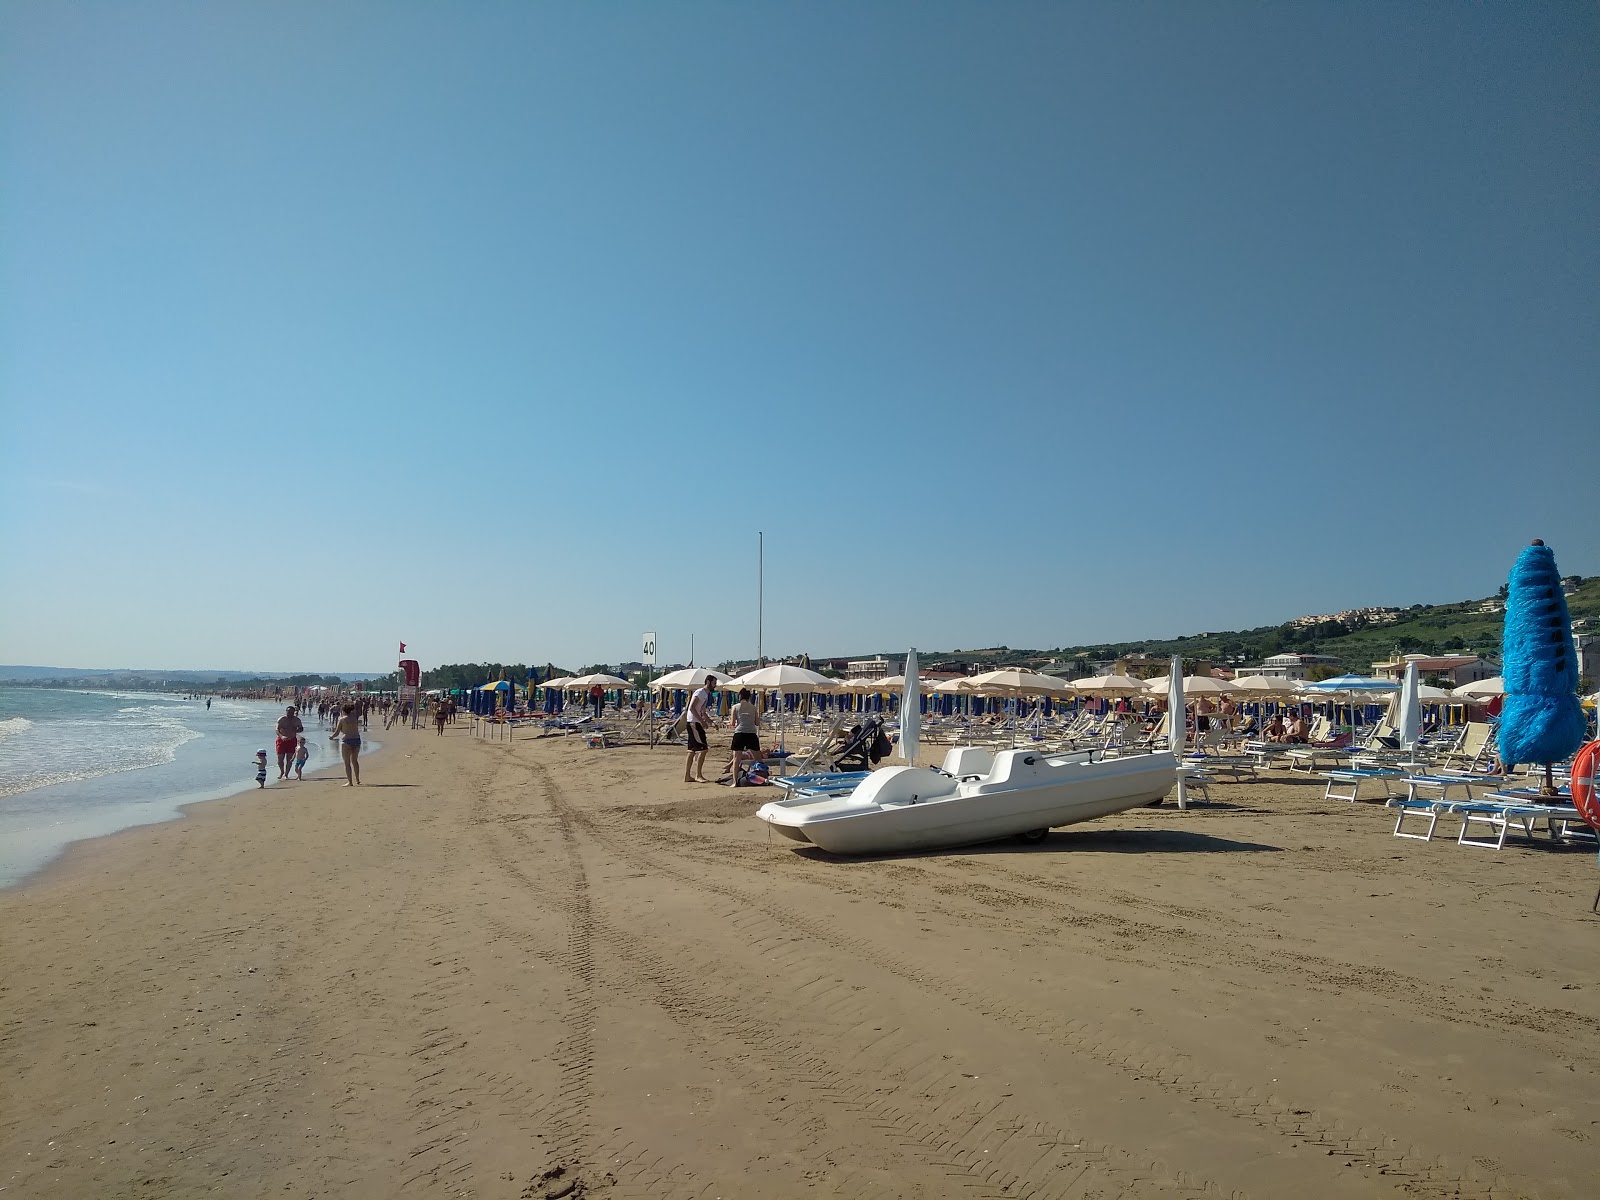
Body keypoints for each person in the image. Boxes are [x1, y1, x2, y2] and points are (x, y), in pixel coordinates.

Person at [684, 675, 716, 783]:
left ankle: (687, 776)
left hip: (694, 722)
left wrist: (710, 722)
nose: (715, 685)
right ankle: (698, 775)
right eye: (714, 683)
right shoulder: (700, 692)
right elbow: (692, 708)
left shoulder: (705, 694)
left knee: (692, 750)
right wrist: (702, 722)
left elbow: (702, 711)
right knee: (703, 749)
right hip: (694, 723)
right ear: (708, 682)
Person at [729, 688, 762, 786]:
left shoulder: (735, 707)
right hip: (751, 733)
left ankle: (735, 782)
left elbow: (732, 723)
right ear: (749, 697)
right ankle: (761, 778)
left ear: (740, 696)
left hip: (739, 733)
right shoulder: (753, 708)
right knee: (758, 758)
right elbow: (757, 723)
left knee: (736, 759)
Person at [329, 702, 363, 786]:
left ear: (343, 710)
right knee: (355, 761)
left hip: (346, 741)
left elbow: (337, 732)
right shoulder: (354, 718)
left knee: (347, 763)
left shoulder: (342, 719)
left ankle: (350, 782)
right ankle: (357, 779)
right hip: (356, 739)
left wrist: (331, 737)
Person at [275, 705, 304, 779]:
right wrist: (282, 736)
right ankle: (282, 771)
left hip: (292, 740)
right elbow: (277, 730)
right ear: (286, 712)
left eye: (291, 712)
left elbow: (301, 728)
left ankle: (286, 774)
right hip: (282, 740)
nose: (289, 714)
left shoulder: (297, 720)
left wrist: (296, 730)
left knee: (289, 759)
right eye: (288, 712)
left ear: (293, 712)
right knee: (280, 758)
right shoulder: (282, 719)